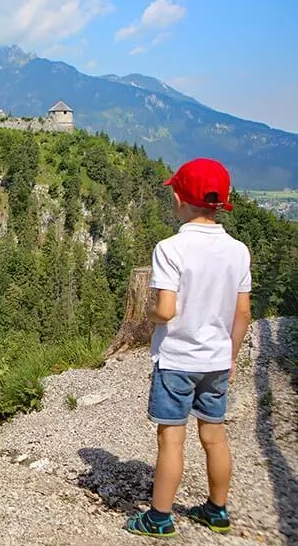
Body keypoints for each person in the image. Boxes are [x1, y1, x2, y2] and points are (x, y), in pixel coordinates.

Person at [126, 158, 252, 537]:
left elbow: (166, 310)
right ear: (220, 203)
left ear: (179, 198)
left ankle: (159, 518)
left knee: (171, 438)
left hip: (177, 360)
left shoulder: (170, 248)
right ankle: (217, 510)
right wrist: (230, 356)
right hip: (216, 360)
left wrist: (146, 314)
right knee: (214, 436)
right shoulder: (238, 250)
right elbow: (242, 312)